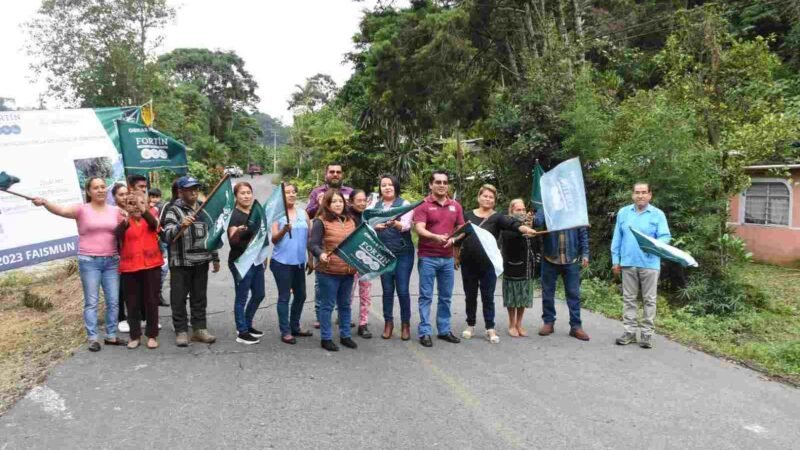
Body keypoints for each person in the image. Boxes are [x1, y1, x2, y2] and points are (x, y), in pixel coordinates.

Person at [32, 177, 126, 352]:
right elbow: (60, 210)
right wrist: (44, 202)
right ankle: (93, 338)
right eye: (96, 188)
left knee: (113, 301)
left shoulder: (116, 211)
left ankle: (111, 335)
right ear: (89, 191)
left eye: (103, 187)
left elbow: (131, 225)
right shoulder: (81, 209)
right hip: (89, 262)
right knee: (91, 302)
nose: (100, 190)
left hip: (112, 261)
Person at [458, 185, 537, 344]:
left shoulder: (498, 217)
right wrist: (455, 257)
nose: (488, 199)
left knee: (488, 297)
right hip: (468, 262)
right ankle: (470, 325)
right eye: (485, 196)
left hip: (489, 264)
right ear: (479, 197)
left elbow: (512, 224)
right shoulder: (467, 215)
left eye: (491, 197)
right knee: (470, 296)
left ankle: (490, 327)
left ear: (494, 201)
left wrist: (525, 229)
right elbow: (459, 236)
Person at [161, 176, 220, 347]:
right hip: (181, 262)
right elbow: (166, 236)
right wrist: (180, 225)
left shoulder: (204, 209)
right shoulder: (173, 210)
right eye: (189, 189)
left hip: (201, 261)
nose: (194, 192)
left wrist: (215, 257)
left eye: (196, 188)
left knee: (199, 297)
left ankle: (199, 329)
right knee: (178, 298)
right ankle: (181, 331)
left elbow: (212, 234)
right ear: (180, 192)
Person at [611, 182, 671, 349]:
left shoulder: (657, 214)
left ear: (650, 195)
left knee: (649, 300)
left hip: (650, 263)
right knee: (629, 299)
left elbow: (666, 236)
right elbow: (617, 238)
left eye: (644, 192)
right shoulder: (623, 213)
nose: (640, 195)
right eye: (637, 192)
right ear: (633, 195)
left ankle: (646, 334)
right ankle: (629, 332)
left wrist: (654, 244)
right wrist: (615, 260)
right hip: (628, 262)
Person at [412, 170, 464, 347]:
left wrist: (454, 240)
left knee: (445, 297)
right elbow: (419, 228)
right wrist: (435, 237)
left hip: (447, 259)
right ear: (430, 185)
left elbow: (462, 229)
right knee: (426, 296)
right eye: (438, 182)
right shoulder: (423, 205)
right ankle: (425, 332)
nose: (442, 185)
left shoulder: (455, 206)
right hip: (428, 257)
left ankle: (444, 330)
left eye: (445, 182)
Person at [308, 190, 358, 352]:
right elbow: (313, 244)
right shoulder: (321, 221)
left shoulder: (351, 220)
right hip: (328, 271)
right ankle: (326, 338)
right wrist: (320, 254)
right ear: (327, 204)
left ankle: (345, 335)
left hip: (348, 271)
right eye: (334, 201)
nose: (338, 204)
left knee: (345, 305)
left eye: (340, 201)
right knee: (327, 306)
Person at [534, 203, 591, 341]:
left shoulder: (576, 209)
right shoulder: (546, 207)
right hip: (550, 258)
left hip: (571, 259)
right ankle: (548, 322)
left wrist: (585, 253)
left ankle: (576, 326)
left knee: (574, 294)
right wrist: (536, 216)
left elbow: (583, 233)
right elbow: (538, 223)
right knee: (548, 293)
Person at [306, 163, 353, 328]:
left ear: (342, 174)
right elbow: (308, 213)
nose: (335, 174)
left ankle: (342, 317)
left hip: (345, 246)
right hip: (324, 242)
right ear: (326, 174)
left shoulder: (350, 192)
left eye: (338, 172)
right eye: (332, 172)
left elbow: (356, 213)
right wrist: (319, 204)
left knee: (345, 287)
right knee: (321, 286)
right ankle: (321, 317)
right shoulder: (316, 192)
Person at [370, 174, 415, 341]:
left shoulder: (404, 204)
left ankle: (405, 324)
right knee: (387, 290)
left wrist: (395, 224)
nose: (387, 187)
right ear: (380, 188)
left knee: (402, 290)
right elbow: (368, 224)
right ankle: (388, 323)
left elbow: (406, 225)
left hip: (403, 253)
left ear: (395, 186)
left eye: (390, 184)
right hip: (384, 253)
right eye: (383, 185)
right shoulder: (375, 205)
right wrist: (375, 227)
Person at [115, 192, 162, 350]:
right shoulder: (123, 221)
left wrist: (143, 210)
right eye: (131, 203)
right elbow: (117, 235)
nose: (136, 206)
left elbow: (155, 226)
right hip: (129, 268)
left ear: (147, 204)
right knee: (132, 303)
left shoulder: (150, 218)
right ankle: (134, 335)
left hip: (151, 266)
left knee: (151, 301)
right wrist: (127, 216)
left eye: (140, 203)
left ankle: (152, 335)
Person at [270, 183, 313, 344]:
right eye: (287, 192)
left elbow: (309, 238)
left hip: (299, 263)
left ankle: (295, 326)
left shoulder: (303, 213)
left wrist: (310, 259)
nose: (291, 194)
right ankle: (285, 330)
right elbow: (274, 239)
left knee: (301, 295)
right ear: (282, 196)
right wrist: (283, 230)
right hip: (281, 263)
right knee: (284, 296)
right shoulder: (277, 215)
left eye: (294, 192)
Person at [226, 182, 267, 345]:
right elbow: (232, 241)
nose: (246, 196)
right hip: (240, 261)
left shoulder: (255, 213)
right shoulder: (234, 215)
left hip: (256, 261)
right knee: (242, 297)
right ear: (236, 196)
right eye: (242, 193)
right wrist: (239, 231)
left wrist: (264, 257)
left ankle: (248, 324)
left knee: (259, 294)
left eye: (248, 192)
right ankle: (242, 332)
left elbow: (262, 236)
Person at [500, 199, 538, 337]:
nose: (521, 212)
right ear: (511, 211)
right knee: (512, 298)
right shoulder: (507, 224)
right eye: (518, 210)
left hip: (527, 268)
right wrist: (523, 230)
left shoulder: (528, 225)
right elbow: (508, 238)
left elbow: (535, 245)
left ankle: (519, 324)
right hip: (512, 267)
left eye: (523, 209)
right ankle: (511, 324)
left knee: (523, 297)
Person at [348, 189, 373, 339]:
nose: (363, 203)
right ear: (351, 202)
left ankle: (363, 324)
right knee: (348, 294)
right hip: (349, 260)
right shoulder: (345, 217)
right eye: (359, 200)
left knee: (366, 294)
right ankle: (345, 320)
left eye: (364, 200)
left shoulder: (368, 216)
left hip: (366, 261)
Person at [111, 183, 135, 334]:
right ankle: (121, 318)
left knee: (133, 288)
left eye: (126, 194)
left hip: (134, 254)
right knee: (120, 289)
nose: (124, 197)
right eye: (121, 194)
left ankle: (136, 317)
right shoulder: (113, 212)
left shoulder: (134, 209)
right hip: (118, 254)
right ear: (114, 197)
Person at [148, 187, 170, 307]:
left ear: (160, 197)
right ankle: (156, 294)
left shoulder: (162, 206)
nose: (154, 199)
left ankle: (157, 293)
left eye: (156, 197)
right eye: (151, 196)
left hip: (162, 241)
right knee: (160, 269)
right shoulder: (147, 208)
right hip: (155, 243)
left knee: (163, 268)